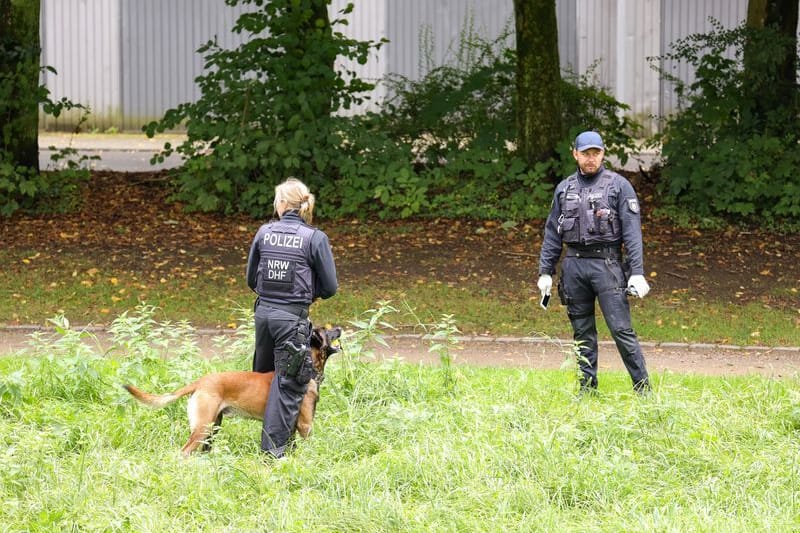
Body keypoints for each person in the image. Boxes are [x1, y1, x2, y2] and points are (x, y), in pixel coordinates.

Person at [537, 131, 651, 394]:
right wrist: (546, 271)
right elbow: (553, 231)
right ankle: (587, 389)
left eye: (596, 153)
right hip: (574, 265)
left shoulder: (619, 186)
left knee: (621, 330)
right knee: (582, 332)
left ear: (603, 153)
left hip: (607, 265)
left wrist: (637, 272)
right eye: (585, 153)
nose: (591, 159)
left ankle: (643, 390)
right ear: (575, 154)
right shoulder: (564, 188)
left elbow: (632, 232)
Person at [246, 177, 338, 457]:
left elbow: (252, 278)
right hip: (292, 319)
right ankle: (273, 455)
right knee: (289, 384)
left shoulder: (264, 232)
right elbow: (331, 287)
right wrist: (308, 294)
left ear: (283, 204)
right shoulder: (315, 238)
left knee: (266, 376)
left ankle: (276, 441)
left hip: (263, 317)